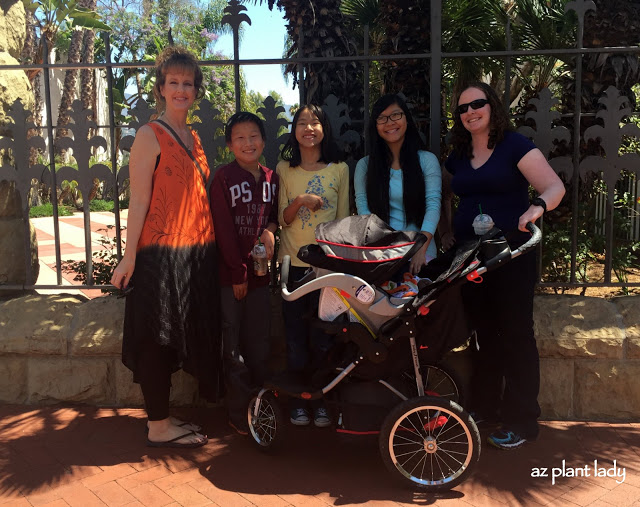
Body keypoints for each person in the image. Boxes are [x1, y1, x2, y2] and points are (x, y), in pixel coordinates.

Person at [441, 82, 565, 450]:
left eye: (477, 104)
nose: (470, 112)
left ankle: (523, 420)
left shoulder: (514, 145)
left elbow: (553, 186)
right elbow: (450, 194)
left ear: (492, 106)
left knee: (515, 334)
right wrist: (449, 230)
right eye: (463, 108)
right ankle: (484, 407)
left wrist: (536, 208)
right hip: (474, 257)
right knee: (484, 334)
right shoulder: (459, 154)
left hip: (512, 253)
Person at [110, 46, 221, 448]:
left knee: (179, 334)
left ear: (196, 91)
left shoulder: (193, 136)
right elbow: (138, 201)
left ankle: (165, 419)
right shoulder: (148, 135)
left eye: (187, 83)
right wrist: (128, 257)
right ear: (160, 89)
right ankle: (158, 426)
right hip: (159, 255)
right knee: (157, 338)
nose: (181, 89)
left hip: (194, 255)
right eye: (173, 82)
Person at [277, 104, 350, 427]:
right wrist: (300, 200)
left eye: (315, 122)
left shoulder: (339, 169)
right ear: (294, 131)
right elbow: (282, 219)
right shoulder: (284, 169)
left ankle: (321, 401)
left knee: (325, 339)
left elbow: (345, 221)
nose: (309, 128)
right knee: (294, 338)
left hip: (327, 269)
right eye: (302, 122)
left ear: (325, 129)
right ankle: (297, 403)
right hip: (292, 266)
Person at [210, 112, 279, 435]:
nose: (248, 143)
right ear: (229, 145)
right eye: (240, 137)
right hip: (231, 279)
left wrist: (270, 230)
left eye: (254, 136)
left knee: (259, 344)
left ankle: (260, 407)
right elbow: (222, 230)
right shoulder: (223, 178)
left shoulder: (271, 178)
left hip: (261, 278)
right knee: (233, 344)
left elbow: (274, 217)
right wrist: (237, 273)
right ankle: (238, 413)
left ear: (263, 141)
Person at [354, 94, 441, 276]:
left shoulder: (426, 160)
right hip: (381, 254)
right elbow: (364, 213)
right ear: (375, 125)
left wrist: (421, 247)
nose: (390, 122)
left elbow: (433, 205)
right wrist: (379, 251)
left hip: (421, 252)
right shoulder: (364, 167)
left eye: (396, 115)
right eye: (382, 118)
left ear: (406, 119)